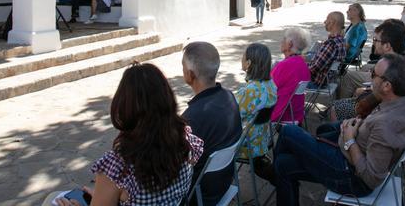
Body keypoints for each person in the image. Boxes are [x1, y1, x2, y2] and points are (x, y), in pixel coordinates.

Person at [272, 53, 405, 205]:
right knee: (283, 164)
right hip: (350, 154)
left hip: (351, 177)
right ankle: (276, 174)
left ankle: (273, 174)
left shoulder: (386, 125)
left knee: (288, 131)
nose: (370, 77)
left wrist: (350, 140)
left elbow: (371, 179)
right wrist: (358, 124)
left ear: (387, 86)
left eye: (373, 74)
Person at [48, 63, 203, 206]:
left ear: (123, 107)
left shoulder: (118, 166)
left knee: (53, 199)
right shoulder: (186, 143)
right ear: (167, 99)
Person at [181, 42, 242, 205]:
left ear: (190, 74)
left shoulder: (191, 119)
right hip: (224, 183)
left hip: (199, 195)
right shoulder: (229, 96)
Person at [331, 19, 405, 121]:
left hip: (381, 112)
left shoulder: (393, 65)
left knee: (335, 108)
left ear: (387, 46)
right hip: (384, 107)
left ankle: (342, 129)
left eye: (375, 40)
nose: (373, 43)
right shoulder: (398, 60)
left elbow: (383, 95)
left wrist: (365, 92)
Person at [235, 43, 277, 170]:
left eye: (243, 56)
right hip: (263, 140)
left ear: (248, 63)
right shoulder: (271, 85)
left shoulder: (249, 92)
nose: (241, 58)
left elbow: (231, 118)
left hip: (247, 145)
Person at [270, 27, 312, 124]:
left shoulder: (285, 65)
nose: (281, 41)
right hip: (296, 113)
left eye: (284, 39)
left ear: (290, 44)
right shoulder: (302, 64)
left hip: (281, 113)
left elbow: (267, 88)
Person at [307, 11, 346, 87]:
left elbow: (315, 68)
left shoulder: (331, 44)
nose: (325, 22)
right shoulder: (341, 41)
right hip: (326, 80)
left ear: (332, 22)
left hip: (315, 82)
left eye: (327, 19)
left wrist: (297, 69)